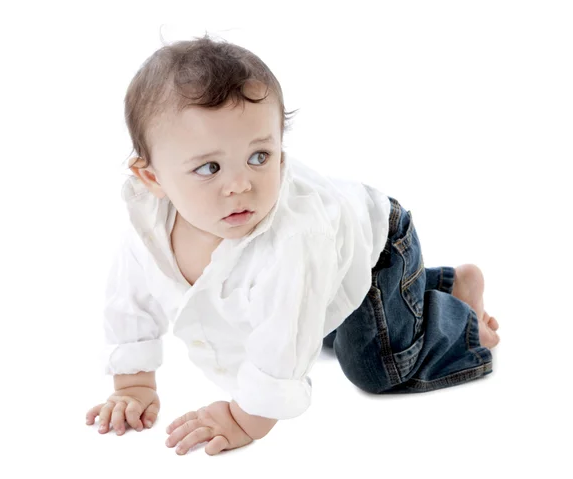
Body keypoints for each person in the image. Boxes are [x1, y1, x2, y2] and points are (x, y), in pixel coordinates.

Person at [85, 33, 500, 456]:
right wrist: (133, 383)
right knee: (319, 326)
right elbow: (128, 301)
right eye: (209, 167)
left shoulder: (292, 240)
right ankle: (435, 284)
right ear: (153, 178)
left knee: (372, 364)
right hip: (329, 259)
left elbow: (285, 338)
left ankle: (457, 319)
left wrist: (245, 417)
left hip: (379, 248)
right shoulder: (148, 227)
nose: (241, 184)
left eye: (260, 156)